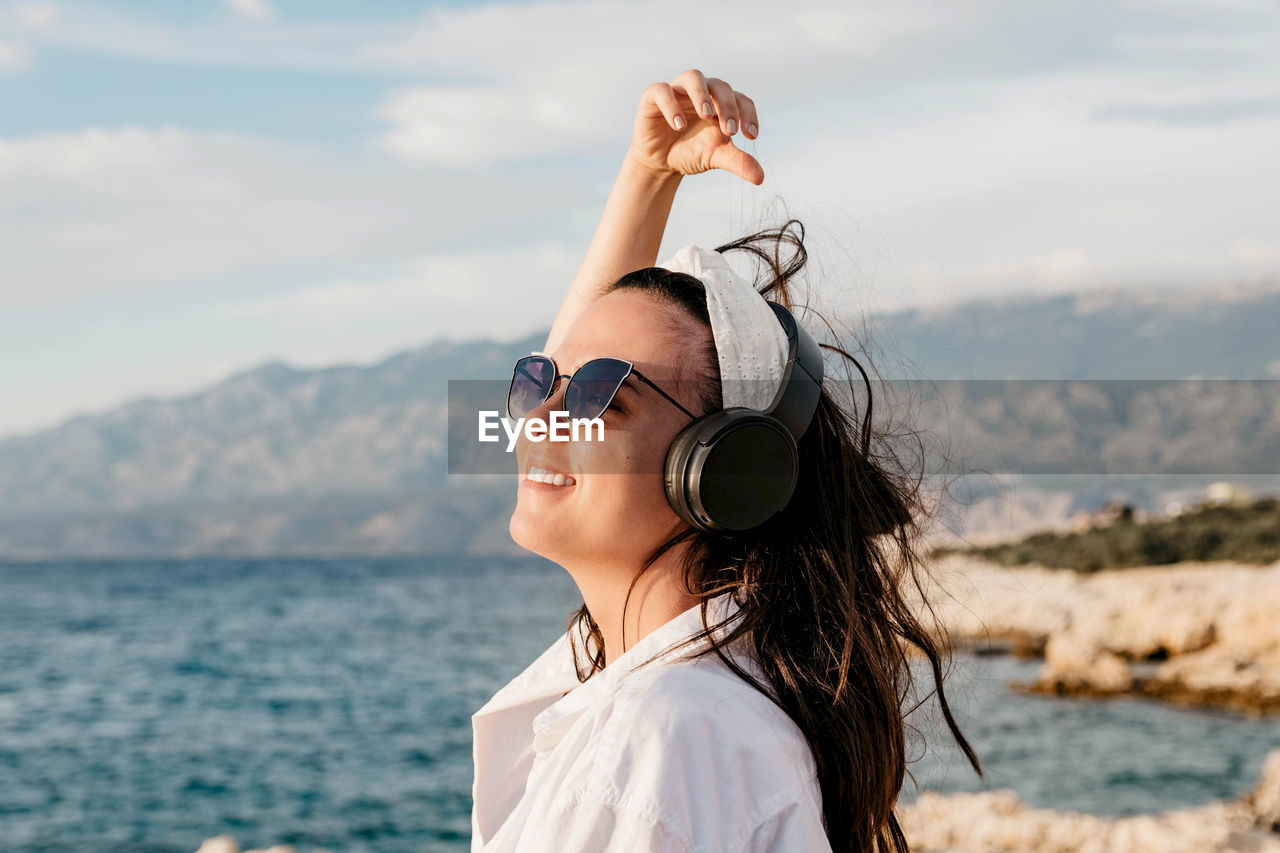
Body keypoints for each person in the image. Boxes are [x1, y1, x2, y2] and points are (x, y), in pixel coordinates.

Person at [471, 69, 982, 853]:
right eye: (537, 381)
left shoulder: (656, 741)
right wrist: (646, 178)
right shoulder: (698, 700)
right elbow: (586, 369)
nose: (540, 415)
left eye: (600, 394)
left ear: (718, 469)